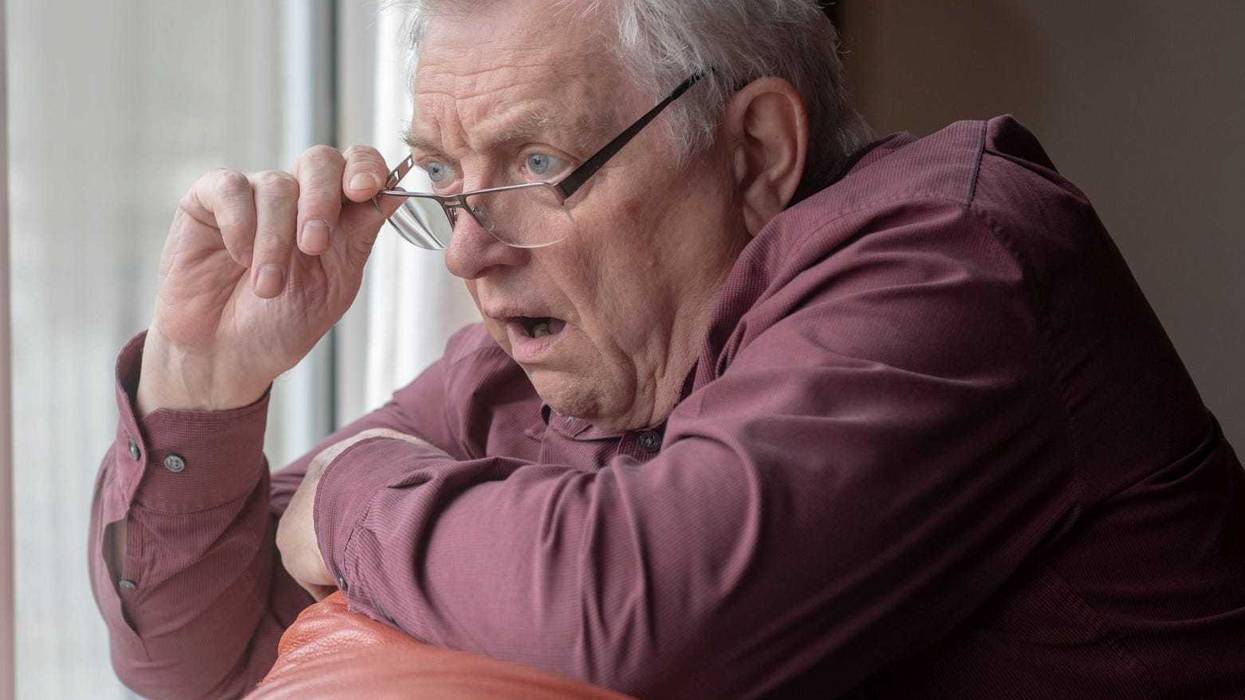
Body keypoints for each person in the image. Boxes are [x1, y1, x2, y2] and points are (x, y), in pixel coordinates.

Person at [88, 1, 1245, 698]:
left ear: (754, 151)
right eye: (442, 178)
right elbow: (206, 657)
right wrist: (205, 382)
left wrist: (349, 492)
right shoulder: (550, 357)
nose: (470, 250)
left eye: (536, 165)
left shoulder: (959, 255)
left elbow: (646, 608)